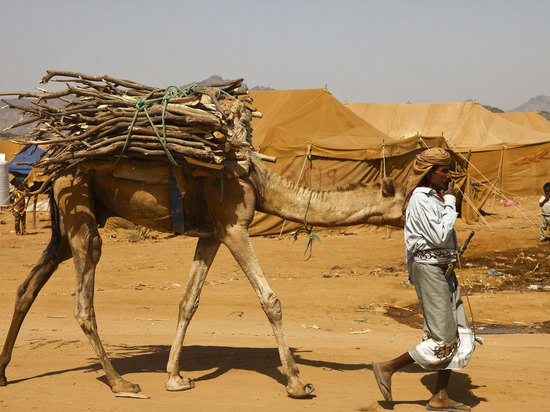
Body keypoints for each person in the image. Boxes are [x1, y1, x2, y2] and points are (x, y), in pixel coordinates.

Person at [372, 148, 475, 412]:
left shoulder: (435, 197)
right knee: (442, 337)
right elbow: (440, 235)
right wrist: (451, 201)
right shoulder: (420, 198)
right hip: (429, 270)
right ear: (429, 174)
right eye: (444, 171)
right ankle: (388, 367)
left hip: (443, 269)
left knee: (454, 332)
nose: (449, 176)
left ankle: (440, 397)